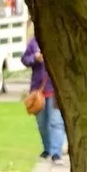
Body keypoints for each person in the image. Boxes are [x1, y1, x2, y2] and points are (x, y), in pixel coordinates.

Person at [22, 33, 65, 162]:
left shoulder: (60, 41)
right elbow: (24, 59)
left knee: (56, 122)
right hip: (38, 90)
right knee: (42, 123)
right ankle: (48, 149)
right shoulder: (34, 42)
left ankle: (56, 153)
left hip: (55, 89)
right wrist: (35, 58)